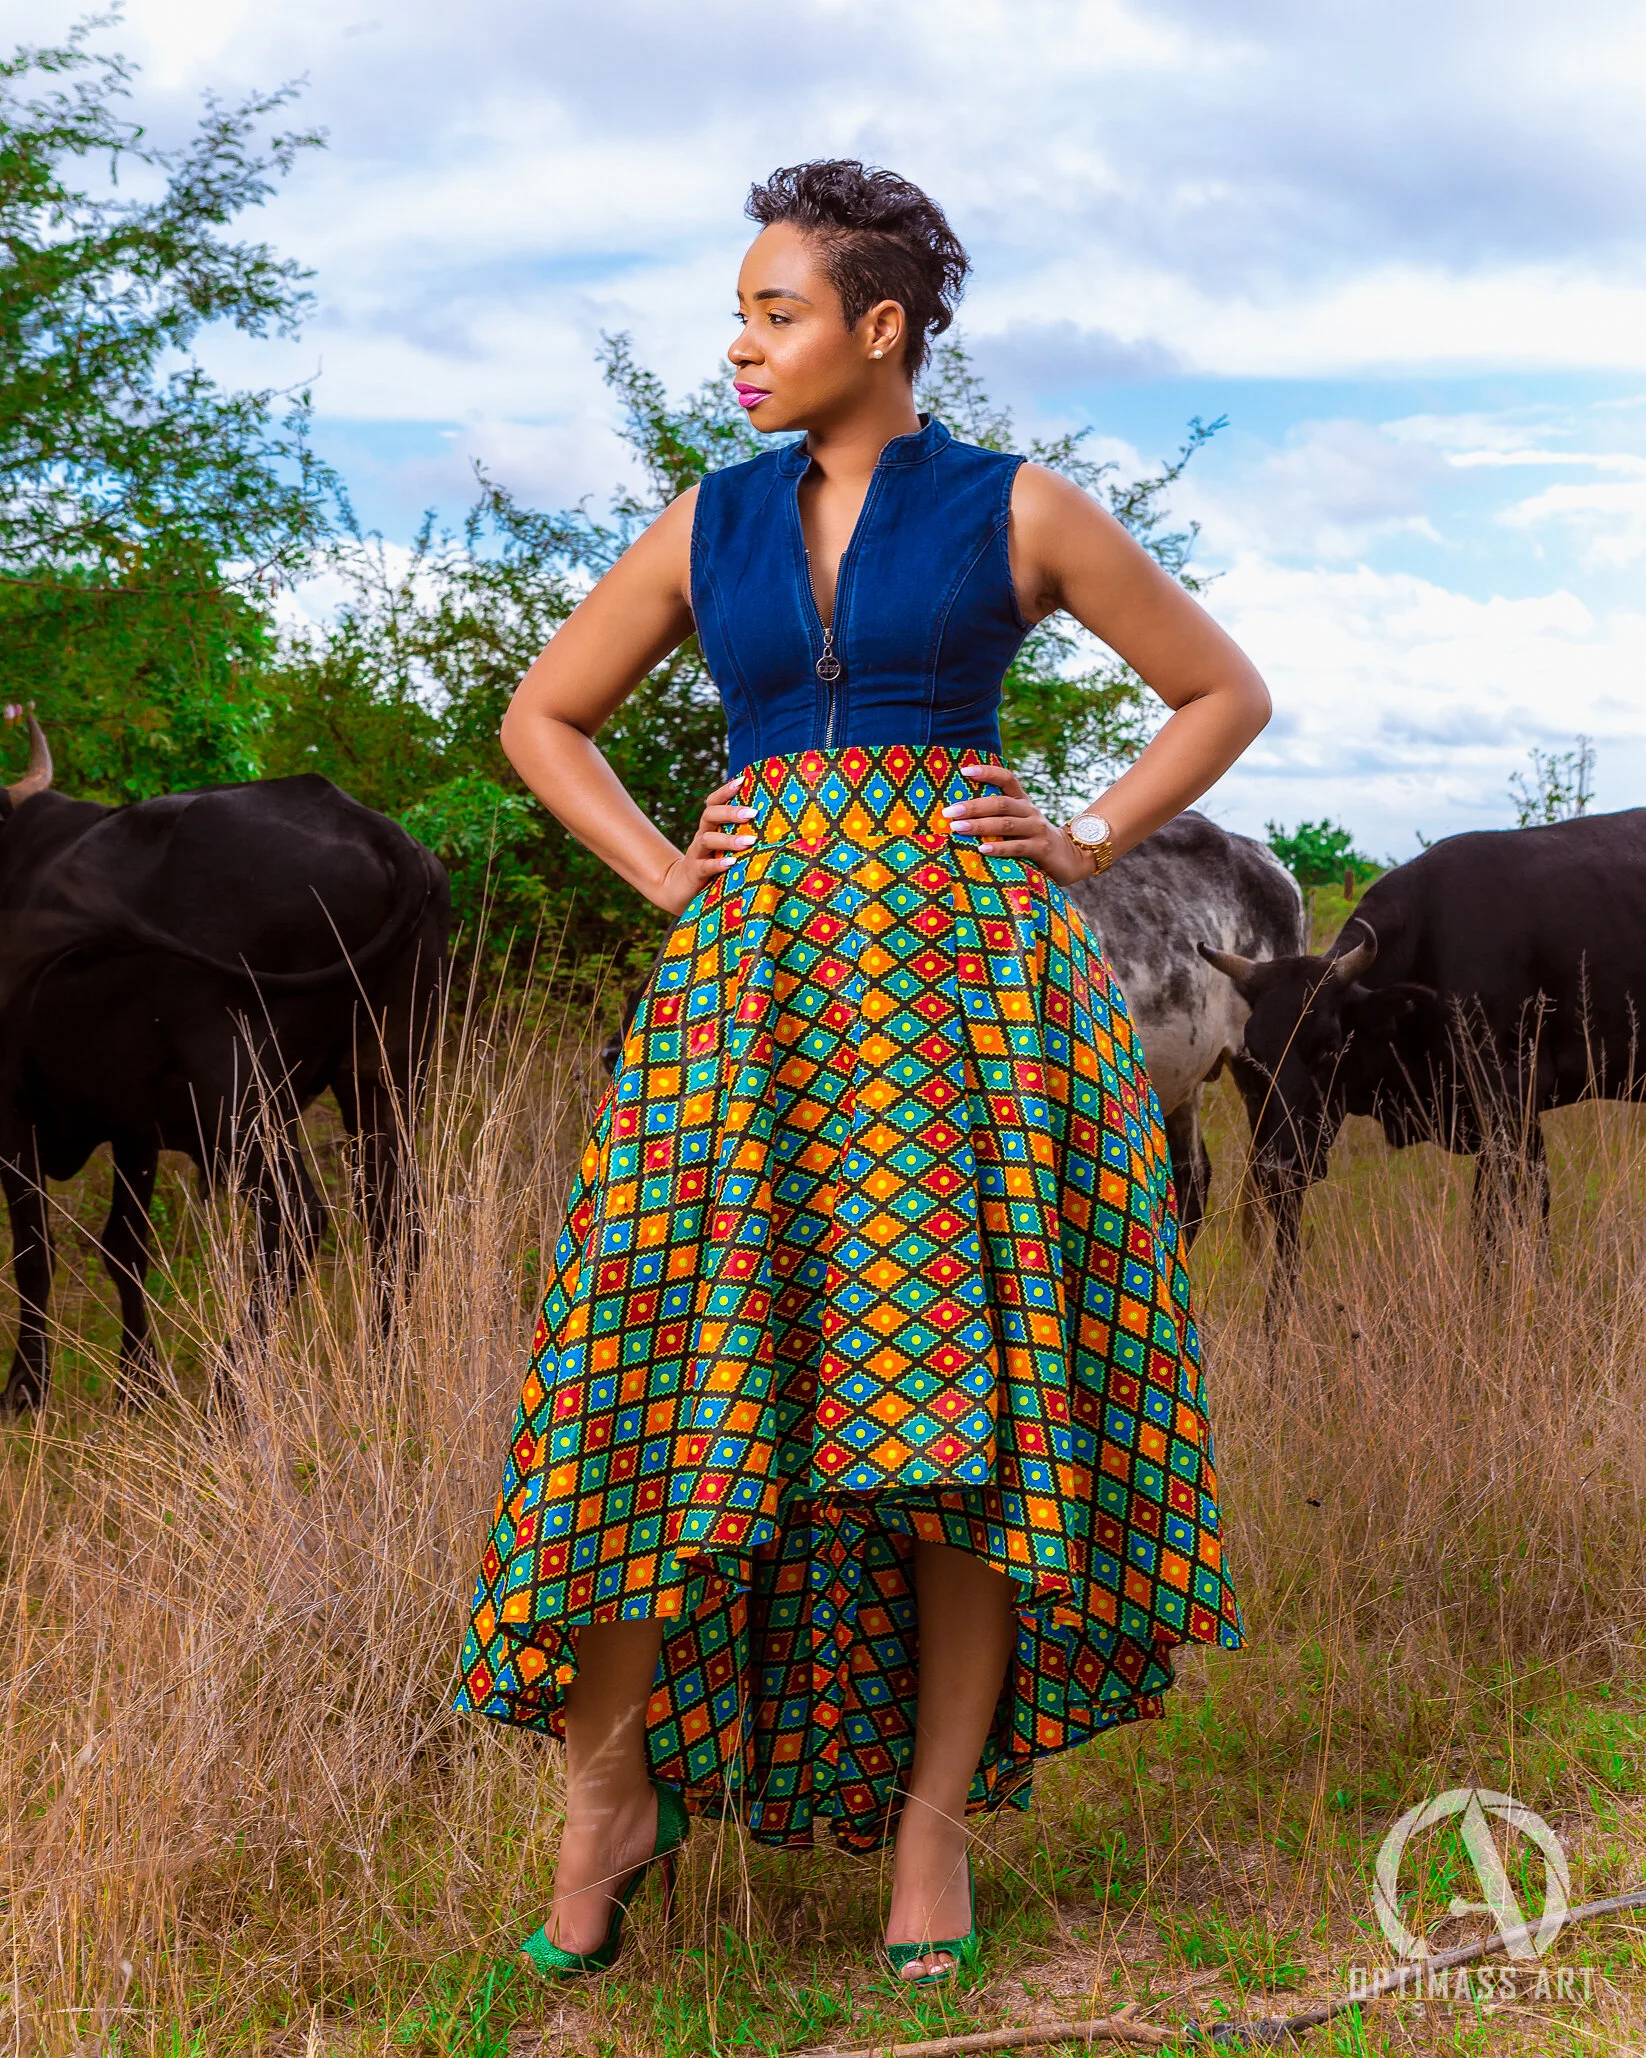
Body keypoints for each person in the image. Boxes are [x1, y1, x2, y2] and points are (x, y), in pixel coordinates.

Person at [454, 158, 1269, 1986]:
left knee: (953, 1414)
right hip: (744, 1012)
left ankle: (931, 1822)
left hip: (975, 1006)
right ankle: (608, 1802)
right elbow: (540, 715)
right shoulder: (707, 524)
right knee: (651, 1384)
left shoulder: (1018, 509)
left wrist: (1084, 832)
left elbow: (1220, 691)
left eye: (773, 311)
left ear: (877, 327)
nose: (738, 345)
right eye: (742, 312)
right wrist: (667, 871)